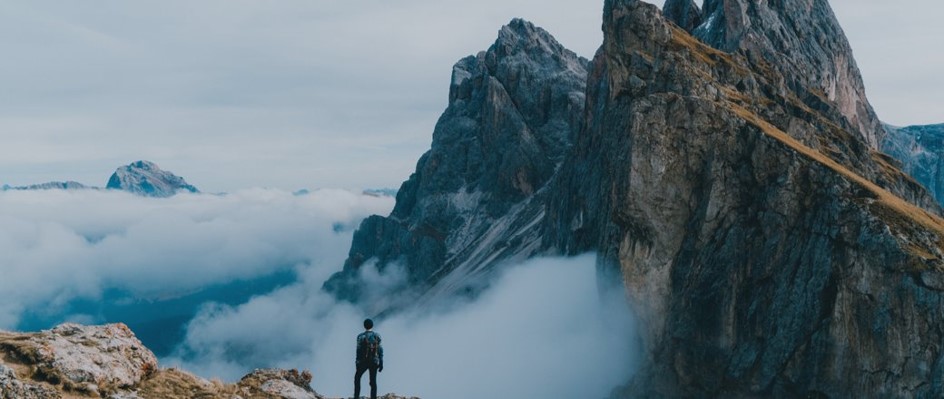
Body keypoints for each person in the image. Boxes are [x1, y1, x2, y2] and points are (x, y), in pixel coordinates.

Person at [354, 318, 383, 399]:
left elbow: (358, 351)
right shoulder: (377, 336)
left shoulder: (360, 336)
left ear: (364, 326)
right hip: (374, 361)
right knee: (373, 381)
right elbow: (380, 350)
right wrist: (381, 363)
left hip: (363, 361)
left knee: (357, 378)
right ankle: (373, 397)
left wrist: (357, 362)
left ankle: (356, 397)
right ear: (372, 325)